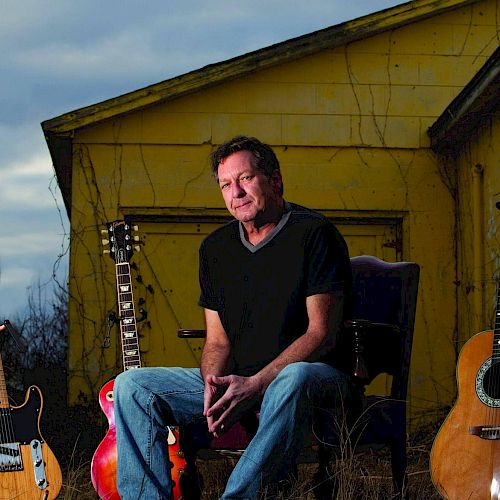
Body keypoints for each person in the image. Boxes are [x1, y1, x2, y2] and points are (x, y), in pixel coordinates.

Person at [114, 135, 355, 499]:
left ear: (275, 181)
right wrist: (213, 385)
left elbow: (321, 334)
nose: (236, 192)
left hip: (311, 378)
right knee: (132, 387)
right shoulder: (215, 249)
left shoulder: (315, 234)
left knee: (294, 377)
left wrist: (256, 383)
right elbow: (217, 341)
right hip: (240, 381)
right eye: (226, 184)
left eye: (245, 179)